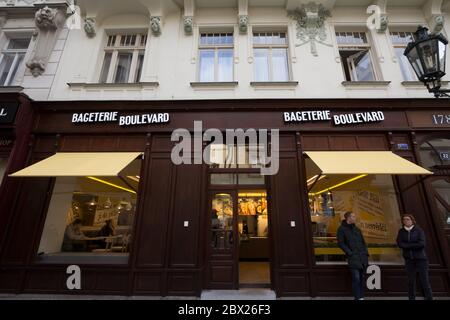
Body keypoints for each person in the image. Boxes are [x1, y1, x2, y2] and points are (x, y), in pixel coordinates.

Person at [396, 214, 433, 300]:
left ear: (412, 220)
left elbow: (422, 244)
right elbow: (399, 243)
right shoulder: (401, 231)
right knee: (410, 281)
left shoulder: (419, 230)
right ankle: (411, 298)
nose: (406, 221)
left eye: (408, 219)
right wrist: (412, 245)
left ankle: (429, 298)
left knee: (425, 280)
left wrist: (407, 245)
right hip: (409, 259)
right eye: (404, 220)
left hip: (421, 259)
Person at [337, 211, 369, 300]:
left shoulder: (357, 229)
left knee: (362, 278)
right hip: (353, 257)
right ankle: (357, 297)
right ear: (348, 218)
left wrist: (365, 253)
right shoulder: (341, 229)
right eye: (353, 216)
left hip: (362, 257)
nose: (355, 218)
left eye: (355, 216)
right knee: (356, 278)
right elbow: (341, 243)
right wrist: (349, 253)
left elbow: (363, 242)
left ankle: (361, 297)